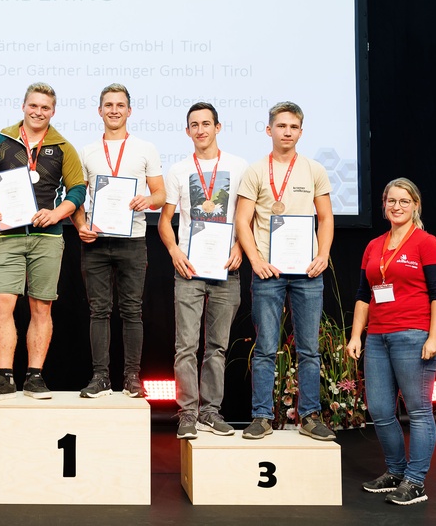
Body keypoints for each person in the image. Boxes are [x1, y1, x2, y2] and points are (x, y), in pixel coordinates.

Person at [0, 82, 86, 401]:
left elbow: (77, 189)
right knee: (0, 302)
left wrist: (57, 213)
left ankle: (35, 376)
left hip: (47, 237)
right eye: (33, 106)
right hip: (7, 236)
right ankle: (3, 376)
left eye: (45, 107)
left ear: (53, 111)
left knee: (41, 306)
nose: (38, 112)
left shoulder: (63, 147)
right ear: (23, 106)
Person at [235, 101, 336, 441]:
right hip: (269, 272)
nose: (287, 132)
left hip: (308, 272)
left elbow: (326, 218)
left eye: (293, 127)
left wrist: (323, 255)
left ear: (301, 132)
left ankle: (309, 417)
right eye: (281, 126)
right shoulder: (255, 171)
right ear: (269, 130)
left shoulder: (314, 169)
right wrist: (255, 260)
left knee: (309, 349)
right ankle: (262, 416)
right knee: (265, 348)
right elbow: (243, 221)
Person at [346, 178, 436, 505]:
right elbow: (363, 295)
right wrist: (356, 335)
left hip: (414, 335)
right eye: (391, 201)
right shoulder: (374, 246)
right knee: (379, 409)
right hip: (378, 336)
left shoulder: (427, 243)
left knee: (417, 411)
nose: (397, 206)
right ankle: (395, 472)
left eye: (404, 201)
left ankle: (415, 481)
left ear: (416, 205)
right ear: (384, 205)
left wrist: (435, 337)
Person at [158, 102, 248, 438]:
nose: (200, 130)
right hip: (190, 269)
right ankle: (188, 414)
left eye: (206, 123)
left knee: (217, 347)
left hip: (226, 268)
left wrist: (241, 247)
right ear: (187, 131)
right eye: (194, 125)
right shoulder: (179, 170)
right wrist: (174, 251)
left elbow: (248, 216)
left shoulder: (239, 167)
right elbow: (165, 221)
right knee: (185, 346)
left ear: (217, 127)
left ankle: (210, 412)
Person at [73, 83, 165, 399]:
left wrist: (147, 200)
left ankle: (132, 377)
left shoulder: (145, 148)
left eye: (120, 105)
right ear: (100, 111)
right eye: (109, 105)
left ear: (129, 111)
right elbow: (76, 196)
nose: (114, 110)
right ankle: (100, 377)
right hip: (96, 241)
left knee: (131, 311)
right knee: (99, 311)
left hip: (133, 240)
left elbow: (160, 194)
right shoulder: (86, 151)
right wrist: (80, 224)